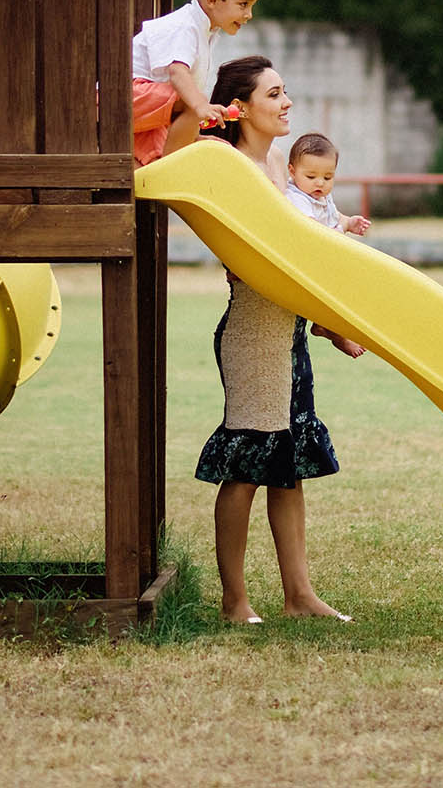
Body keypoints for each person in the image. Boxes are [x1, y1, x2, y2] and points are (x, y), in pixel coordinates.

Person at [194, 54, 356, 624]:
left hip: (286, 336)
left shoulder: (278, 177)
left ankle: (299, 596)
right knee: (246, 464)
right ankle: (234, 601)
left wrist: (330, 324)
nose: (287, 102)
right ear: (242, 107)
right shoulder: (233, 166)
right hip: (253, 338)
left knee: (286, 467)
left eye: (286, 92)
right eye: (275, 94)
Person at [130, 0, 262, 167]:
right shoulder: (185, 26)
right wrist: (202, 106)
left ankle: (168, 163)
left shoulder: (205, 31)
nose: (249, 14)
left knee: (151, 159)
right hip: (124, 98)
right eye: (243, 4)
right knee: (193, 101)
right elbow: (177, 73)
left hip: (145, 106)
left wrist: (193, 135)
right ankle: (169, 169)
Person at [285, 132, 374, 238]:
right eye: (311, 176)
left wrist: (349, 222)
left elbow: (334, 216)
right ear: (292, 172)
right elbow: (316, 234)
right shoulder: (297, 198)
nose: (320, 183)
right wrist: (342, 228)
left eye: (327, 177)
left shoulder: (321, 195)